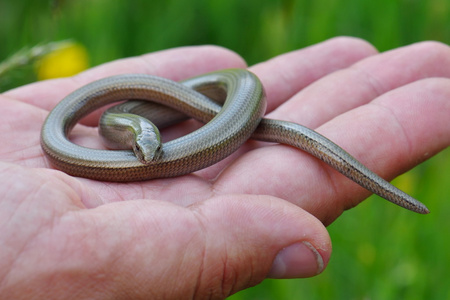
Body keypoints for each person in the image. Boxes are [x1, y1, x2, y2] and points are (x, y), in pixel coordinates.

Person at [0, 37, 449, 299]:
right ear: (133, 135)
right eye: (144, 149)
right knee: (240, 117)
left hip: (194, 105)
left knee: (242, 107)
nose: (151, 157)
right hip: (144, 120)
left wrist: (233, 118)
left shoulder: (134, 129)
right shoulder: (115, 127)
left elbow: (156, 140)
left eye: (150, 148)